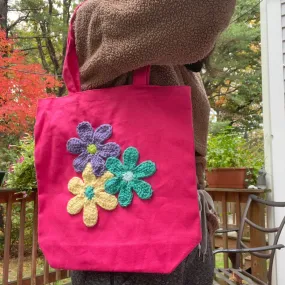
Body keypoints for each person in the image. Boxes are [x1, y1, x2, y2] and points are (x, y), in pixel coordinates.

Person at [71, 1, 236, 284]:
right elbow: (208, 10)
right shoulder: (100, 17)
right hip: (129, 235)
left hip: (189, 233)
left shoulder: (171, 62)